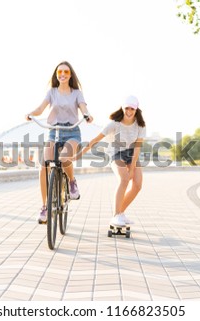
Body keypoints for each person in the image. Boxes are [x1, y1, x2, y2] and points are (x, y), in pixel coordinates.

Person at [26, 61, 93, 224]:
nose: (62, 74)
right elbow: (41, 109)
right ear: (56, 75)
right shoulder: (52, 92)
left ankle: (71, 182)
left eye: (66, 72)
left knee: (64, 158)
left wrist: (87, 115)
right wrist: (31, 113)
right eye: (60, 72)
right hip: (53, 132)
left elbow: (83, 107)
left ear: (71, 75)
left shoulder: (77, 93)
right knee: (44, 166)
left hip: (72, 132)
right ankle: (45, 207)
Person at [65, 95, 146, 226]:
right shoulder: (114, 124)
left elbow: (137, 148)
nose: (129, 112)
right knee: (124, 179)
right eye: (127, 108)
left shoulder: (140, 125)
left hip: (132, 153)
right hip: (116, 152)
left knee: (137, 184)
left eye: (132, 109)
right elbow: (95, 140)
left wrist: (131, 169)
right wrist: (78, 155)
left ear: (136, 110)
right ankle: (116, 215)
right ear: (122, 108)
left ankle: (120, 213)